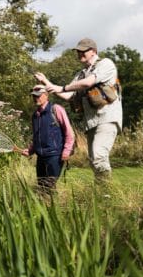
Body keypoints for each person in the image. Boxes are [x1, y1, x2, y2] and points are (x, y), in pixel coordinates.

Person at [34, 37, 122, 184]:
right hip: (91, 122)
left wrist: (62, 87)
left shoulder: (106, 64)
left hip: (107, 118)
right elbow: (68, 95)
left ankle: (106, 191)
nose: (80, 53)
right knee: (94, 159)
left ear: (93, 51)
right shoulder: (80, 74)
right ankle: (101, 190)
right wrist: (46, 82)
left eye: (83, 51)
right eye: (78, 51)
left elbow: (88, 82)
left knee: (99, 156)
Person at [21, 84, 75, 194]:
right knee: (41, 187)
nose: (35, 98)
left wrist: (67, 150)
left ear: (46, 95)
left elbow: (69, 132)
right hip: (40, 157)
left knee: (50, 186)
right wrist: (31, 150)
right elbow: (36, 136)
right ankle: (43, 208)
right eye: (34, 96)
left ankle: (54, 208)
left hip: (55, 155)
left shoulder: (56, 109)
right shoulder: (35, 115)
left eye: (38, 95)